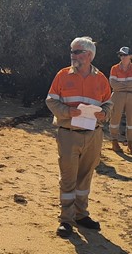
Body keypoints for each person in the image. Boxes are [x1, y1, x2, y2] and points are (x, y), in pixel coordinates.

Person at [46, 36, 113, 238]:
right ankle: (66, 219)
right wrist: (67, 112)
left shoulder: (100, 78)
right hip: (68, 135)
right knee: (68, 178)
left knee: (85, 178)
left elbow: (109, 103)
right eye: (72, 52)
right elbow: (50, 101)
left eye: (76, 52)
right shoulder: (62, 75)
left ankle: (81, 215)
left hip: (93, 136)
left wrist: (105, 114)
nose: (72, 55)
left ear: (89, 55)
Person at [109, 46, 132, 153]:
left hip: (130, 96)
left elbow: (117, 84)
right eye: (121, 55)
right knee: (115, 118)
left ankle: (130, 143)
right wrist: (128, 85)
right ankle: (114, 141)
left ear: (130, 56)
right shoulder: (114, 68)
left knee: (131, 120)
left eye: (125, 55)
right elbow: (113, 84)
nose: (122, 57)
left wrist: (121, 85)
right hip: (117, 95)